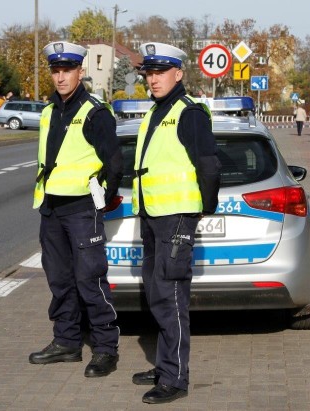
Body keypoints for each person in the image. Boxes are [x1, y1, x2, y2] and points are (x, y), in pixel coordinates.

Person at [131, 42, 221, 404]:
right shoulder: (156, 112)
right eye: (149, 73)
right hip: (154, 217)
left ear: (178, 74)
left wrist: (204, 207)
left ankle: (175, 378)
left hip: (176, 218)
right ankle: (165, 363)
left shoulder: (189, 113)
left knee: (170, 297)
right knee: (156, 294)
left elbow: (209, 165)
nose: (153, 79)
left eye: (160, 72)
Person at [29, 41, 123, 379]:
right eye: (55, 70)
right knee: (60, 281)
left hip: (82, 209)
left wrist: (105, 200)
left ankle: (105, 350)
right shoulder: (48, 111)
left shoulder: (96, 112)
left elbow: (115, 164)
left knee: (90, 281)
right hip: (51, 208)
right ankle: (66, 341)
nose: (60, 76)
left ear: (80, 72)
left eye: (67, 70)